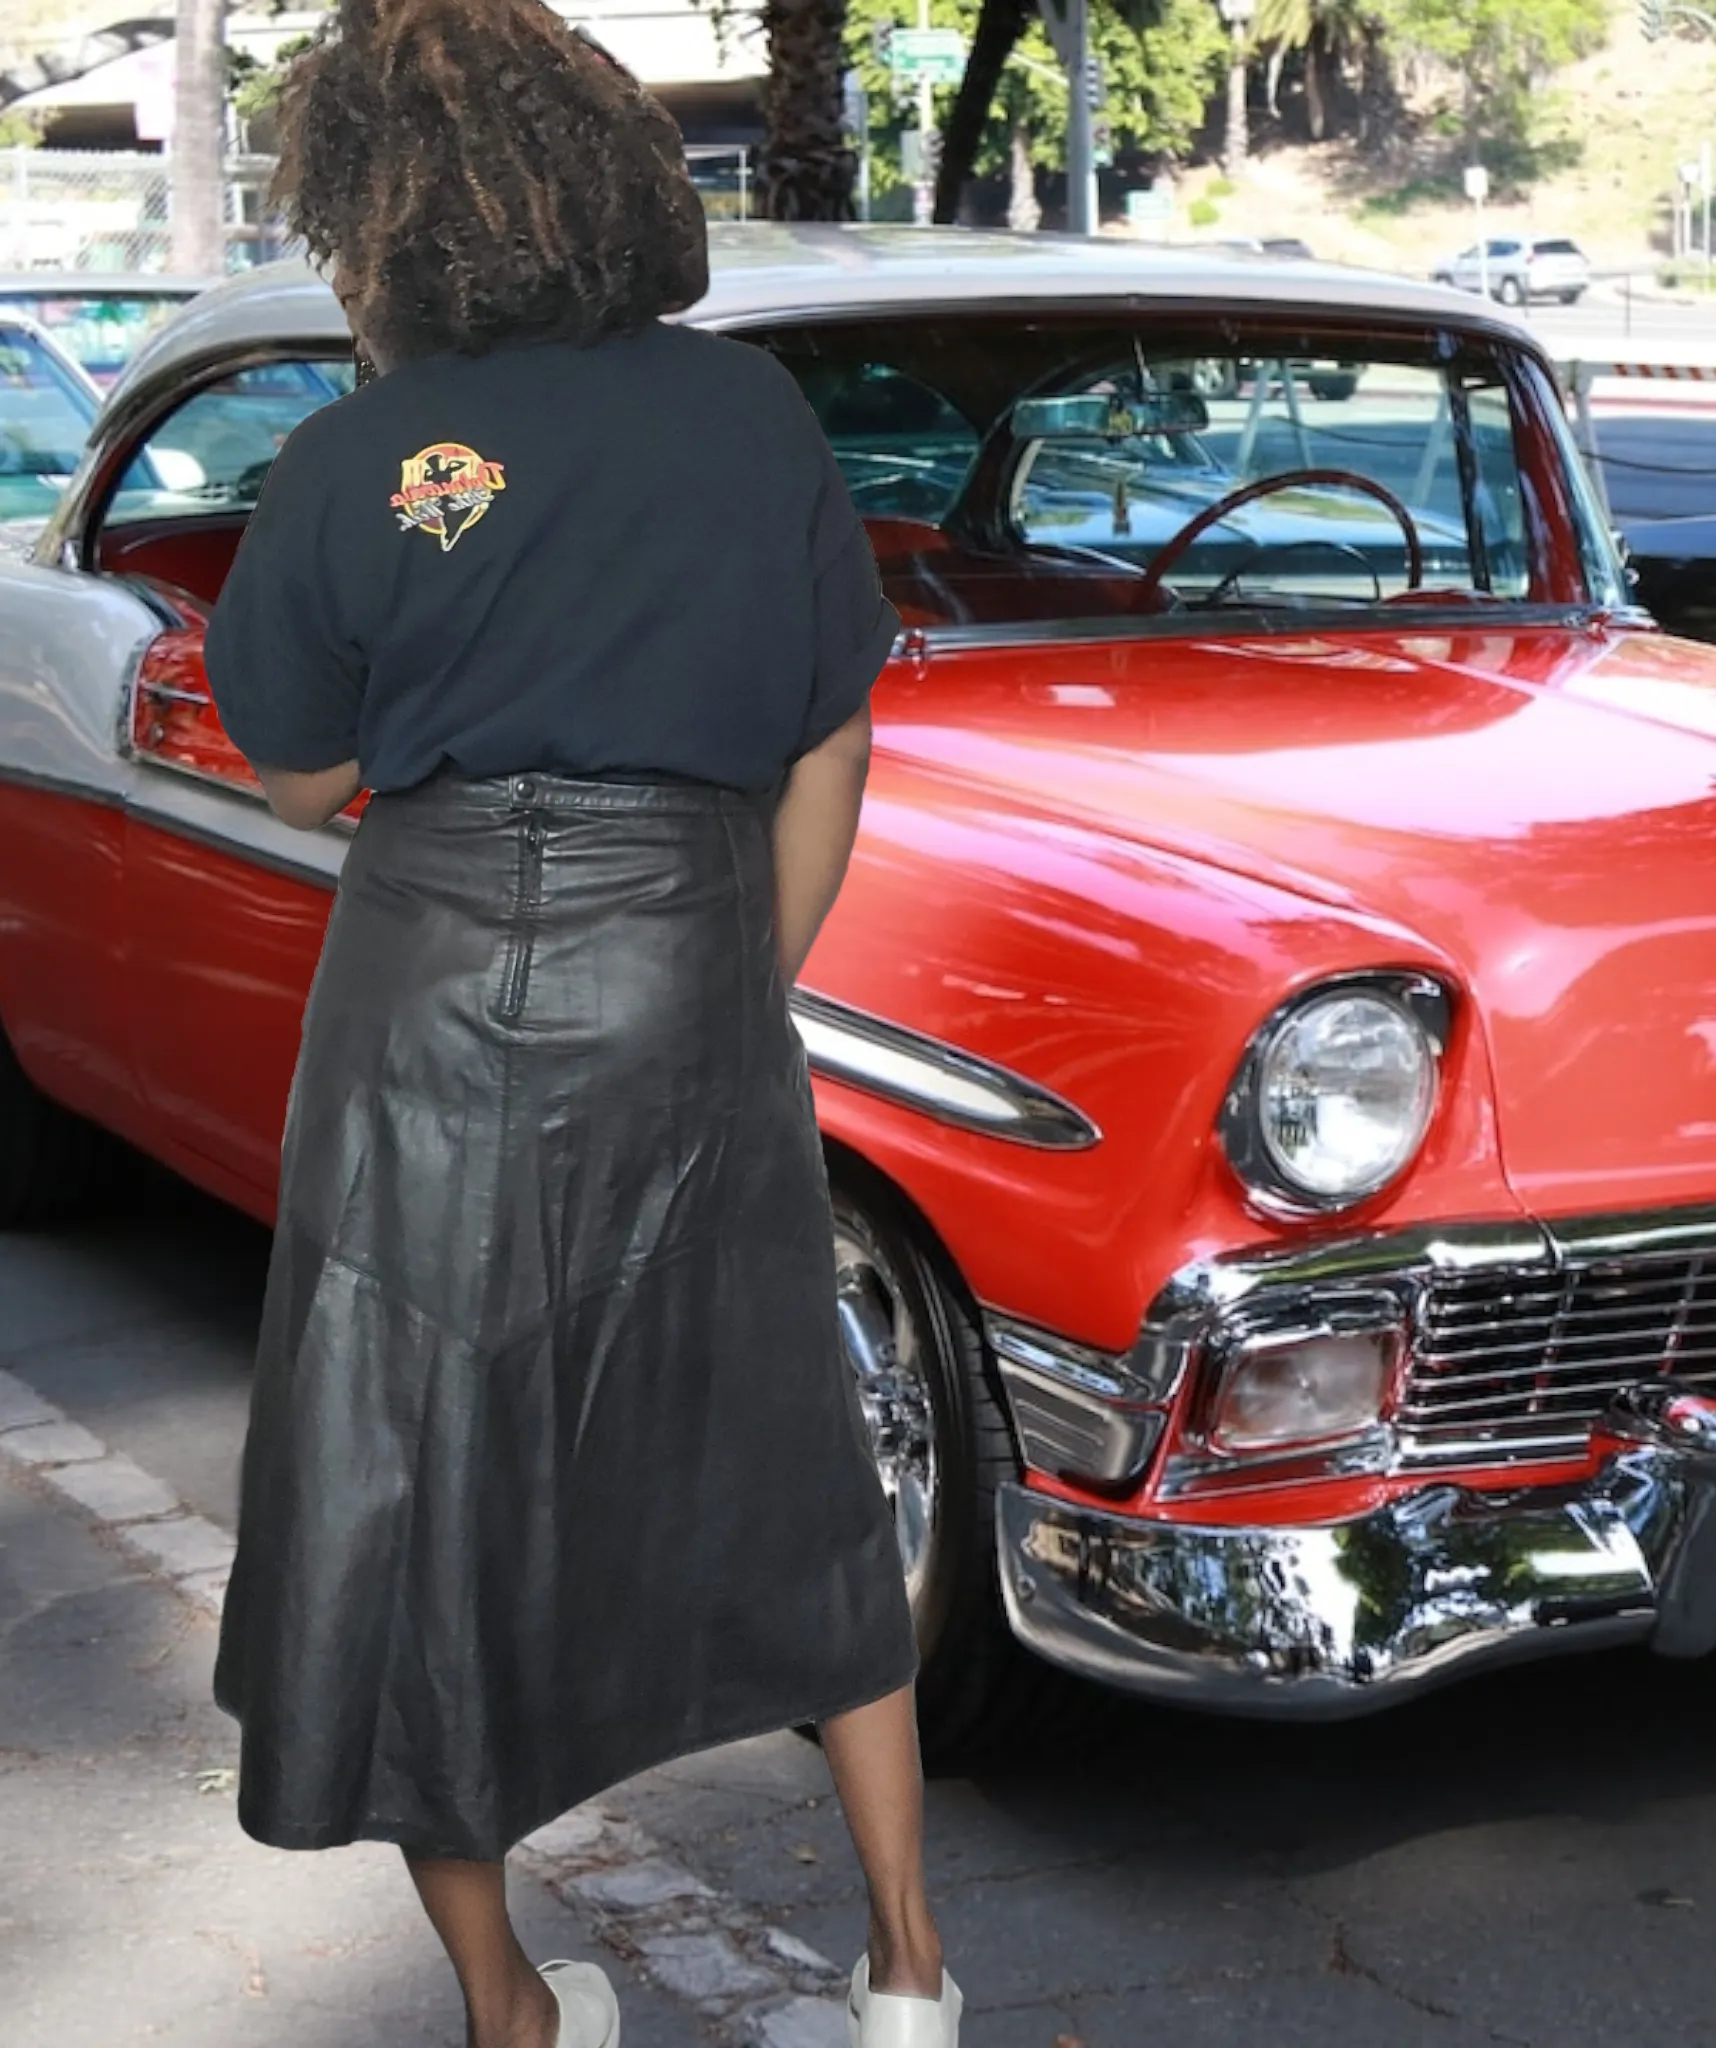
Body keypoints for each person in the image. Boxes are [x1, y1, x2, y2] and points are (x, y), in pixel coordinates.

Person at [201, 4, 960, 2045]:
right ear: (611, 165)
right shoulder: (747, 419)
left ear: (366, 210)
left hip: (429, 991)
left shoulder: (354, 451)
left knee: (415, 1476)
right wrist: (737, 980)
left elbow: (288, 776)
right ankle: (905, 1975)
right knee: (790, 1460)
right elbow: (830, 734)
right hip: (700, 954)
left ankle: (512, 2006)